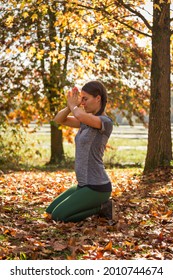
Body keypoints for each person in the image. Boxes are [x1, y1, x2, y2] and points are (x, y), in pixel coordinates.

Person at [46, 80, 114, 222]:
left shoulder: (105, 122)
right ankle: (94, 205)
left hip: (97, 186)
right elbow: (58, 120)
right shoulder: (85, 122)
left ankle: (102, 207)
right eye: (81, 99)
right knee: (50, 211)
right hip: (83, 184)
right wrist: (70, 106)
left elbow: (81, 116)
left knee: (59, 216)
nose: (82, 103)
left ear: (98, 98)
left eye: (85, 99)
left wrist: (73, 105)